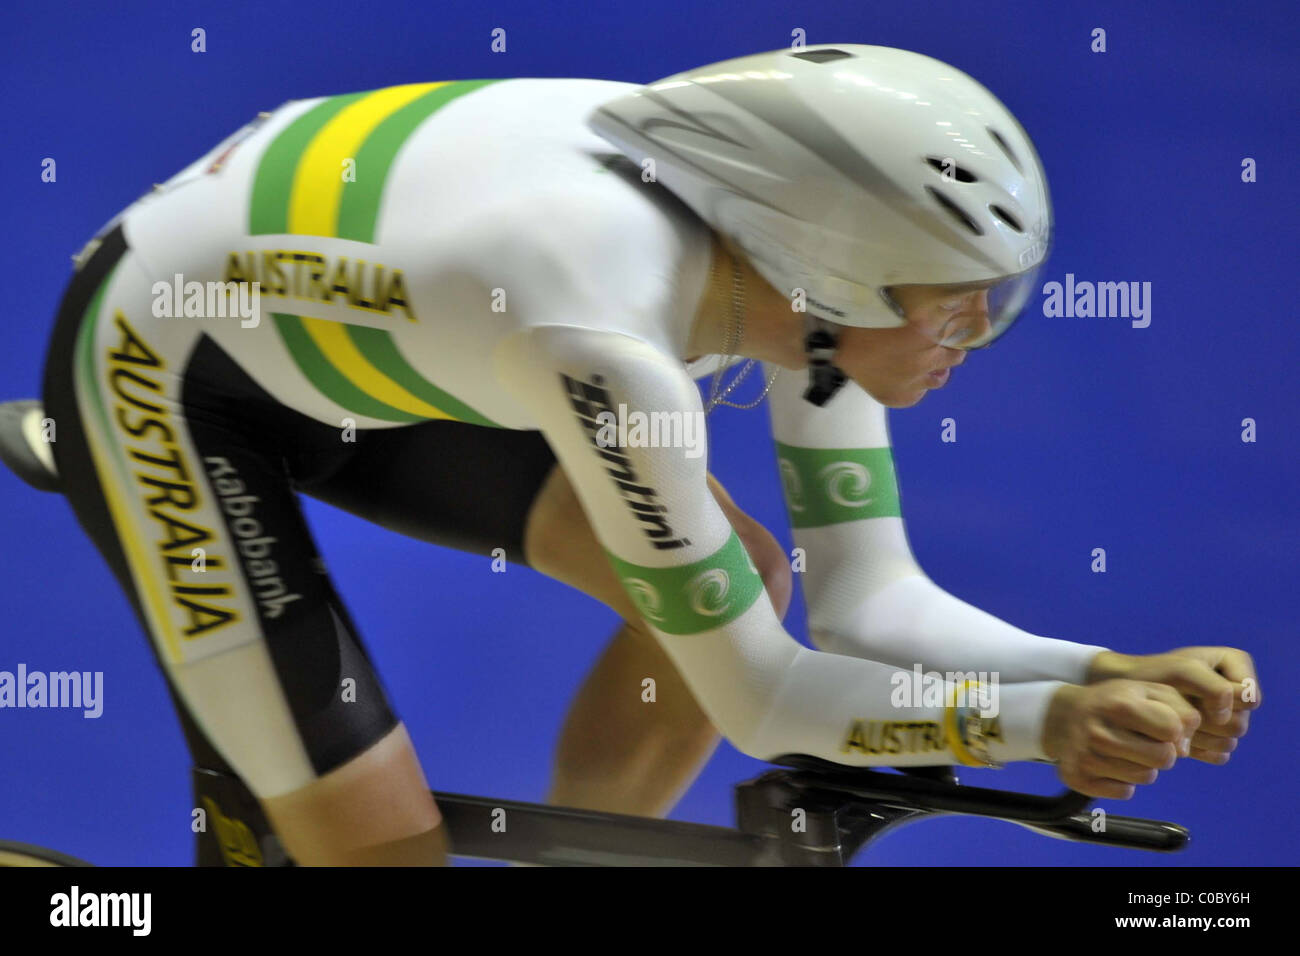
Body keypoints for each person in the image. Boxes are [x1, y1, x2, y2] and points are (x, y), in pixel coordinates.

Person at [10, 44, 1257, 866]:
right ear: (838, 273)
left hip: (390, 335)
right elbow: (762, 700)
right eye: (954, 303)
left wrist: (1098, 665)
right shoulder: (604, 336)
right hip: (168, 361)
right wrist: (1044, 724)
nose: (972, 339)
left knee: (744, 577)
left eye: (1001, 299)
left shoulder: (793, 278)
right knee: (377, 852)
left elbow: (873, 603)